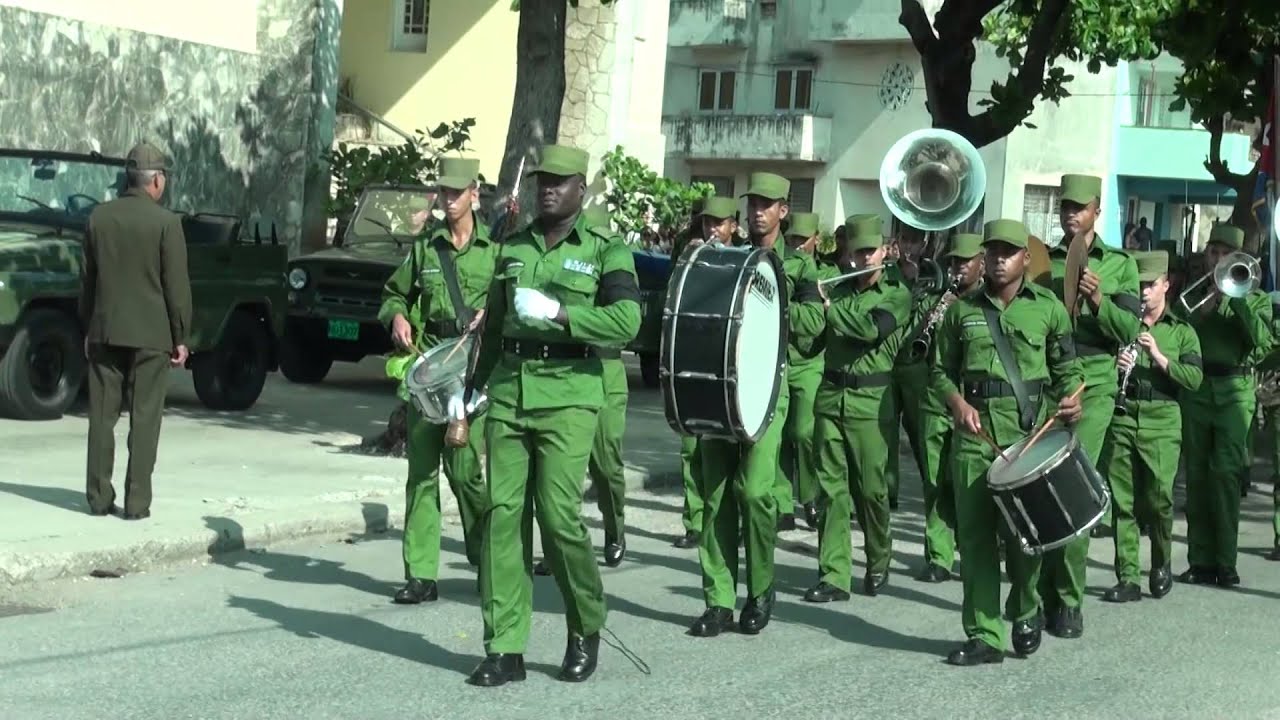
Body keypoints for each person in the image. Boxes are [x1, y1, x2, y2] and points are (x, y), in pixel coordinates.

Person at [460, 144, 641, 687]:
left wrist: (563, 314)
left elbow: (628, 321)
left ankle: (585, 623)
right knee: (502, 517)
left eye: (560, 182)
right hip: (512, 391)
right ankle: (505, 647)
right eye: (542, 180)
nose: (548, 189)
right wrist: (469, 391)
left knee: (558, 517)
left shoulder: (608, 251)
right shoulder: (511, 246)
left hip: (571, 393)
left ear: (581, 190)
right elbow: (492, 329)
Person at [932, 219, 1084, 665]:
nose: (998, 259)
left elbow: (1069, 372)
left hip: (1028, 437)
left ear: (1025, 259)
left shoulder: (1048, 309)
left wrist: (1073, 403)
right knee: (976, 540)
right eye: (992, 251)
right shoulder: (962, 311)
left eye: (1008, 252)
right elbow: (939, 370)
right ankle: (984, 635)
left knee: (1027, 538)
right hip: (975, 439)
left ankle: (1024, 608)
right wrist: (956, 402)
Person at [689, 173, 824, 637]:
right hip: (722, 382)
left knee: (754, 492)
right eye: (753, 205)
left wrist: (775, 289)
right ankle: (718, 600)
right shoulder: (728, 255)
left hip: (770, 385)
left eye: (767, 205)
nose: (757, 212)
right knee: (716, 495)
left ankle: (761, 587)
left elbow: (809, 323)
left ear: (784, 210)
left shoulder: (803, 268)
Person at [378, 157, 496, 604]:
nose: (448, 198)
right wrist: (399, 317)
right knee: (422, 474)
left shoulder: (495, 249)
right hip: (429, 372)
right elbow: (393, 293)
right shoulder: (427, 247)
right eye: (443, 191)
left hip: (471, 374)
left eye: (456, 191)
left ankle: (486, 558)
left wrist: (493, 314)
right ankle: (421, 575)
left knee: (465, 473)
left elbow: (512, 306)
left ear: (474, 193)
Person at [1044, 173, 1141, 638]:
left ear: (1096, 210)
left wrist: (1098, 298)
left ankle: (1068, 600)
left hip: (1096, 386)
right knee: (1040, 493)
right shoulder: (1041, 259)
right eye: (1064, 206)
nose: (1070, 214)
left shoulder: (1119, 264)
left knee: (1073, 488)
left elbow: (1127, 331)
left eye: (1079, 207)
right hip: (1048, 385)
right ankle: (1037, 595)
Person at [80, 142, 191, 521]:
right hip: (152, 337)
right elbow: (176, 287)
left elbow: (87, 281)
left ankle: (97, 497)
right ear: (157, 180)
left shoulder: (98, 217)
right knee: (145, 418)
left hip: (104, 331)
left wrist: (87, 326)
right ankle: (136, 503)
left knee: (101, 417)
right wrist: (181, 336)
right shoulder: (166, 223)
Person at [803, 214, 910, 602]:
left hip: (871, 403)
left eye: (870, 251)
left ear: (885, 250)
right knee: (831, 491)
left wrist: (829, 309)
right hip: (830, 396)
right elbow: (811, 342)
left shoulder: (897, 294)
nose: (863, 260)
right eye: (857, 252)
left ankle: (879, 557)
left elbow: (870, 330)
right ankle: (834, 574)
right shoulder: (838, 290)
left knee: (871, 491)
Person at [1099, 250, 1202, 602]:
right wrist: (1116, 363)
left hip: (1162, 420)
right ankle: (1127, 577)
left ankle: (1160, 562)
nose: (1143, 292)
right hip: (1125, 416)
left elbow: (1194, 379)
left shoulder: (1182, 331)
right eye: (1140, 284)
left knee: (1158, 500)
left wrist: (1159, 357)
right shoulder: (1124, 325)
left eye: (1151, 285)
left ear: (1166, 286)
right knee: (1122, 501)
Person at [533, 204, 628, 573]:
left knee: (605, 464)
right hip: (566, 371)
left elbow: (624, 321)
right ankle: (558, 547)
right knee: (556, 469)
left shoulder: (614, 265)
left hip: (605, 370)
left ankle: (614, 527)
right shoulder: (561, 261)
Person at [1178, 224, 1273, 587]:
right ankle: (1199, 560)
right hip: (1199, 389)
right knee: (1198, 477)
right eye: (1212, 252)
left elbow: (1262, 344)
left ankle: (1226, 561)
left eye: (1224, 254)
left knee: (1226, 476)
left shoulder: (1255, 297)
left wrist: (1235, 298)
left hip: (1235, 390)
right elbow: (1177, 331)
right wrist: (1204, 307)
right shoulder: (1193, 295)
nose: (1217, 260)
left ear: (1238, 260)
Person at [906, 232, 986, 583]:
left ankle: (977, 548)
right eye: (954, 261)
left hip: (972, 402)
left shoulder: (988, 306)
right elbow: (913, 347)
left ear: (981, 263)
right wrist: (932, 317)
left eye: (966, 261)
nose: (958, 267)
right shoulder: (937, 299)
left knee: (971, 482)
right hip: (935, 399)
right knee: (935, 479)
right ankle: (938, 555)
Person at [672, 196, 738, 549]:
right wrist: (688, 258)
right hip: (693, 359)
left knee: (728, 452)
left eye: (720, 223)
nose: (713, 229)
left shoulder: (745, 259)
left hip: (728, 365)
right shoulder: (689, 255)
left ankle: (727, 520)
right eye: (708, 222)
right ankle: (694, 522)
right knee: (690, 447)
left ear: (734, 227)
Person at [776, 211, 824, 531]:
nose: (797, 246)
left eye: (803, 241)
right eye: (793, 240)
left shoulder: (825, 269)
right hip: (781, 357)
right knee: (778, 434)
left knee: (804, 433)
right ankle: (782, 505)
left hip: (809, 359)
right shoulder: (778, 261)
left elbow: (815, 320)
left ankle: (810, 497)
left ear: (815, 240)